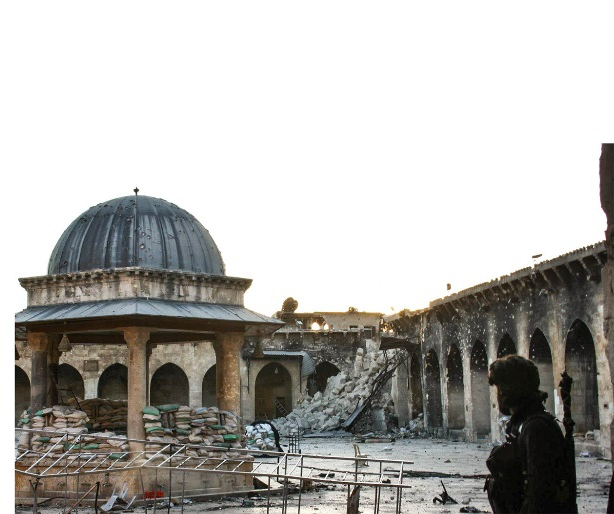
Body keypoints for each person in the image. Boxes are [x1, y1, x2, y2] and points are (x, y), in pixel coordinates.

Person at [485, 354, 575, 513]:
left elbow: (538, 496)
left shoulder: (536, 428)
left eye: (500, 387)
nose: (499, 394)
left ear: (509, 389)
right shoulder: (525, 424)